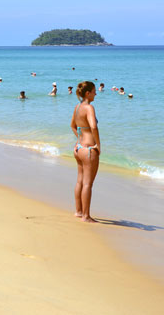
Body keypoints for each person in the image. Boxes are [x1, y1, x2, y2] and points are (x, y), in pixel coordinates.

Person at [70, 81, 100, 223]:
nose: (96, 93)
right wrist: (98, 145)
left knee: (80, 181)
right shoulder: (89, 107)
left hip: (78, 148)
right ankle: (86, 216)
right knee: (88, 184)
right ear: (87, 93)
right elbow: (93, 127)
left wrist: (79, 139)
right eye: (94, 91)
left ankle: (78, 211)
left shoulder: (77, 107)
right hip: (88, 149)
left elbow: (73, 126)